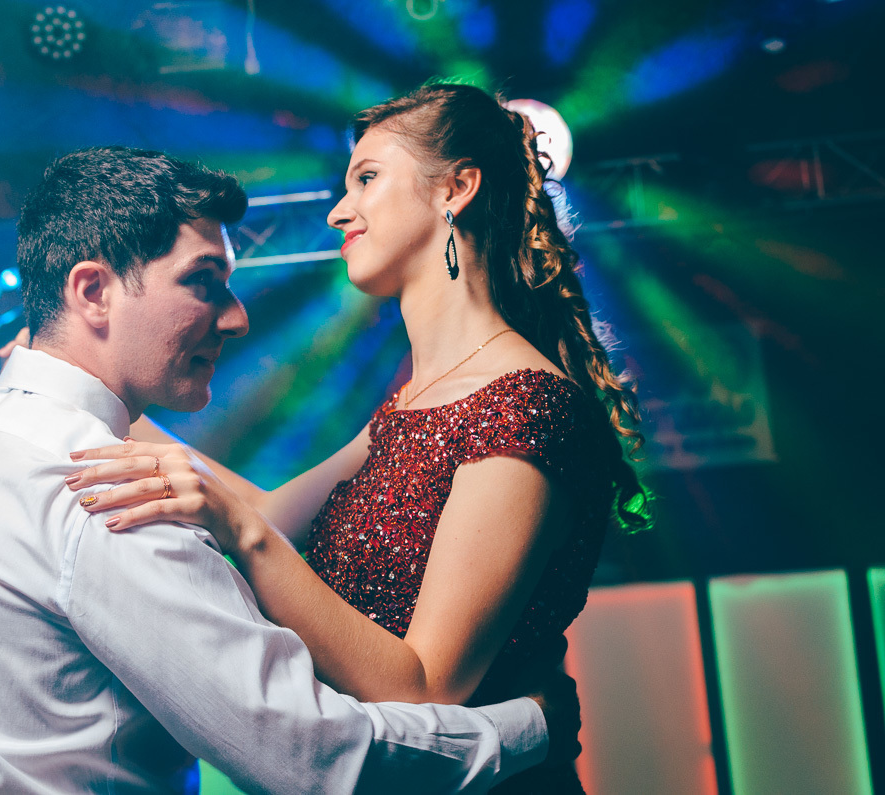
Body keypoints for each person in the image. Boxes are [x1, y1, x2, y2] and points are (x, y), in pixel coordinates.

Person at [0, 145, 582, 794]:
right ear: (92, 292)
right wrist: (528, 724)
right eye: (205, 281)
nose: (236, 318)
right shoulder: (113, 497)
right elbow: (311, 758)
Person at [64, 83, 651, 793]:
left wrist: (235, 524)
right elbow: (270, 514)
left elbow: (428, 686)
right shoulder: (413, 402)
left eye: (367, 178)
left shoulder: (525, 405)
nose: (341, 210)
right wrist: (96, 386)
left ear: (455, 189)